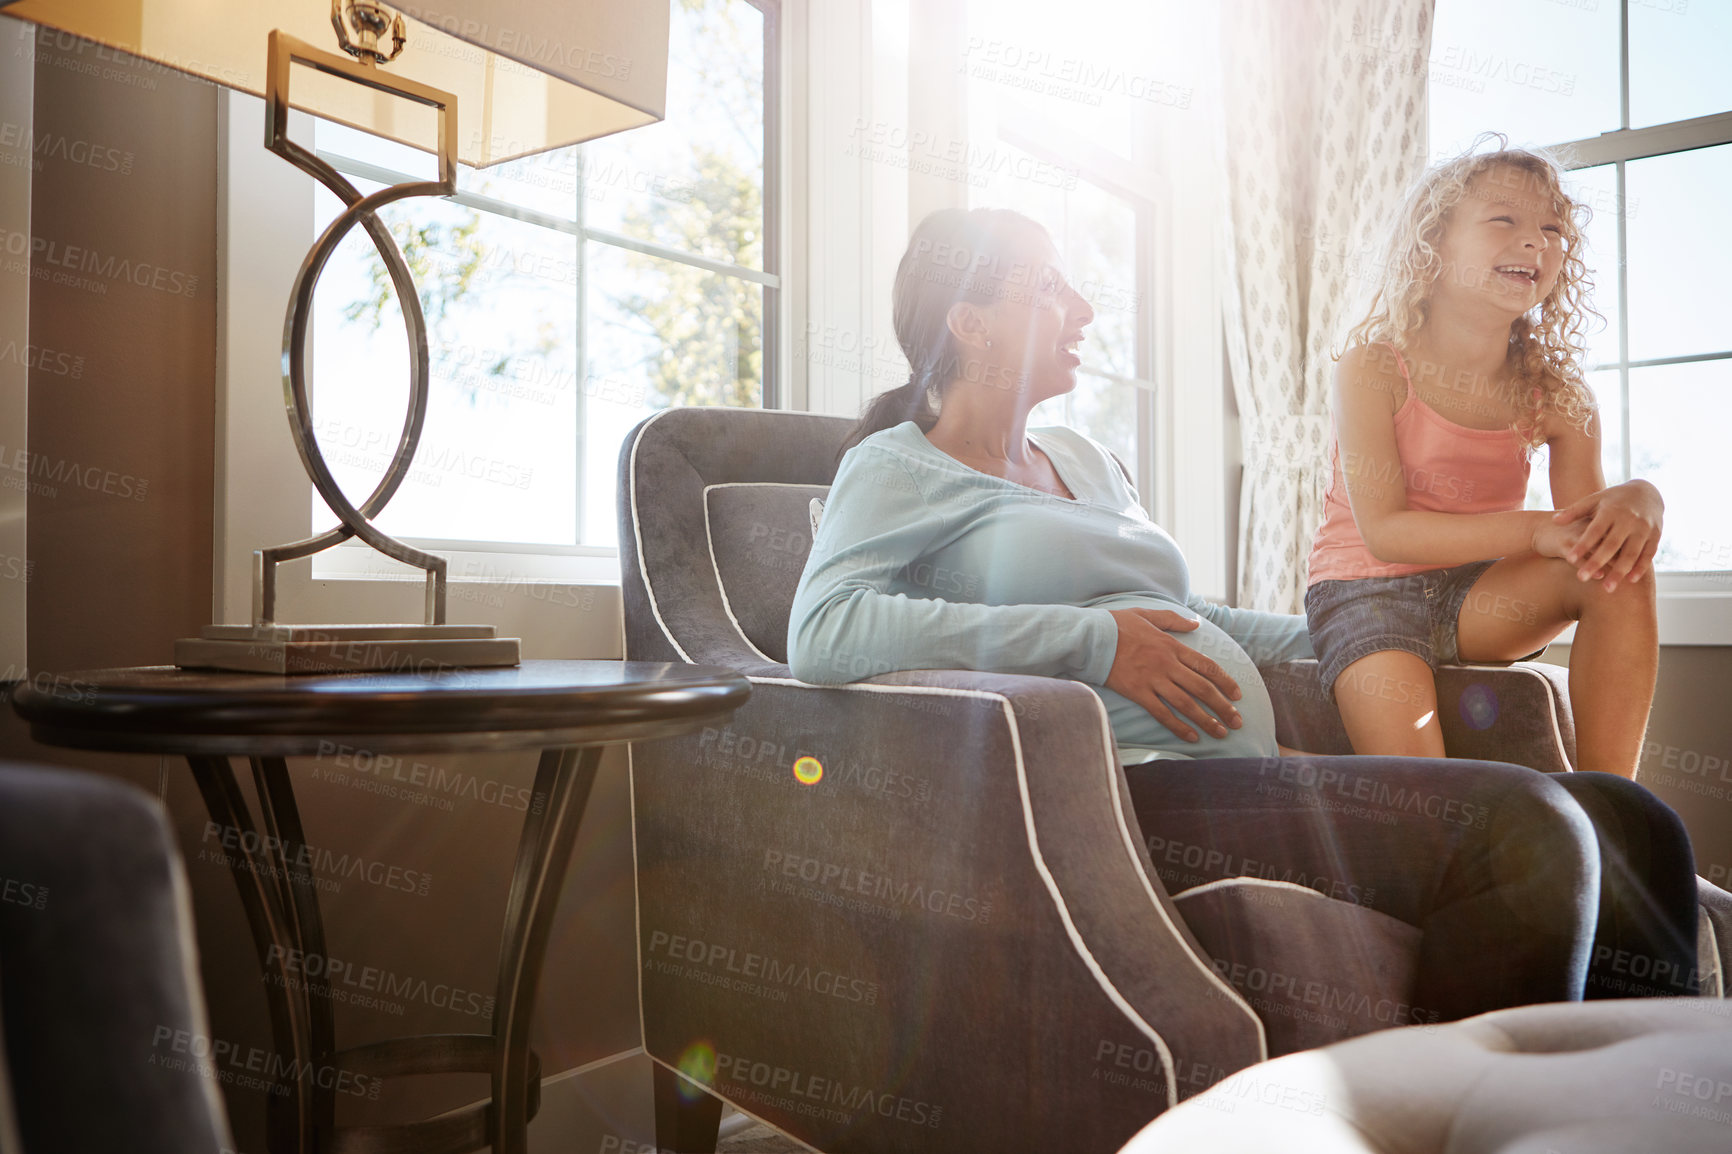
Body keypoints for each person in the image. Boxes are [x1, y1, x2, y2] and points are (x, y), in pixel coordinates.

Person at [788, 205, 1702, 1015]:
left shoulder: (1083, 457)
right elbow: (824, 632)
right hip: (1131, 791)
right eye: (1051, 286)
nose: (1084, 309)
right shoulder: (898, 465)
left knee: (1629, 819)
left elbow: (1182, 609)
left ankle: (1627, 1106)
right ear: (971, 324)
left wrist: (1357, 628)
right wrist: (1092, 642)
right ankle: (1461, 1116)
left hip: (1250, 765)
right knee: (1528, 828)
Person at [1305, 142, 1660, 778]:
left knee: (1618, 564)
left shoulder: (1560, 395)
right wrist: (1535, 530)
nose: (1536, 243)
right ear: (1433, 246)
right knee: (1427, 800)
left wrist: (1638, 499)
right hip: (1364, 590)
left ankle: (1611, 803)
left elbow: (1587, 535)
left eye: (1552, 229)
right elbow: (1385, 533)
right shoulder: (1373, 366)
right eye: (1505, 221)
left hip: (1478, 597)